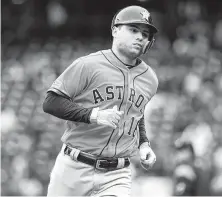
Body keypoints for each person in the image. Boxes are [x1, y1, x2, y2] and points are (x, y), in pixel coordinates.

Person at [43, 5, 159, 197]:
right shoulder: (88, 65)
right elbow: (50, 102)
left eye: (145, 34)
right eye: (133, 30)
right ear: (115, 30)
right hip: (74, 167)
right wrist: (93, 115)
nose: (140, 37)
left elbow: (136, 113)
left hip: (117, 174)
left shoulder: (150, 79)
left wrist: (144, 144)